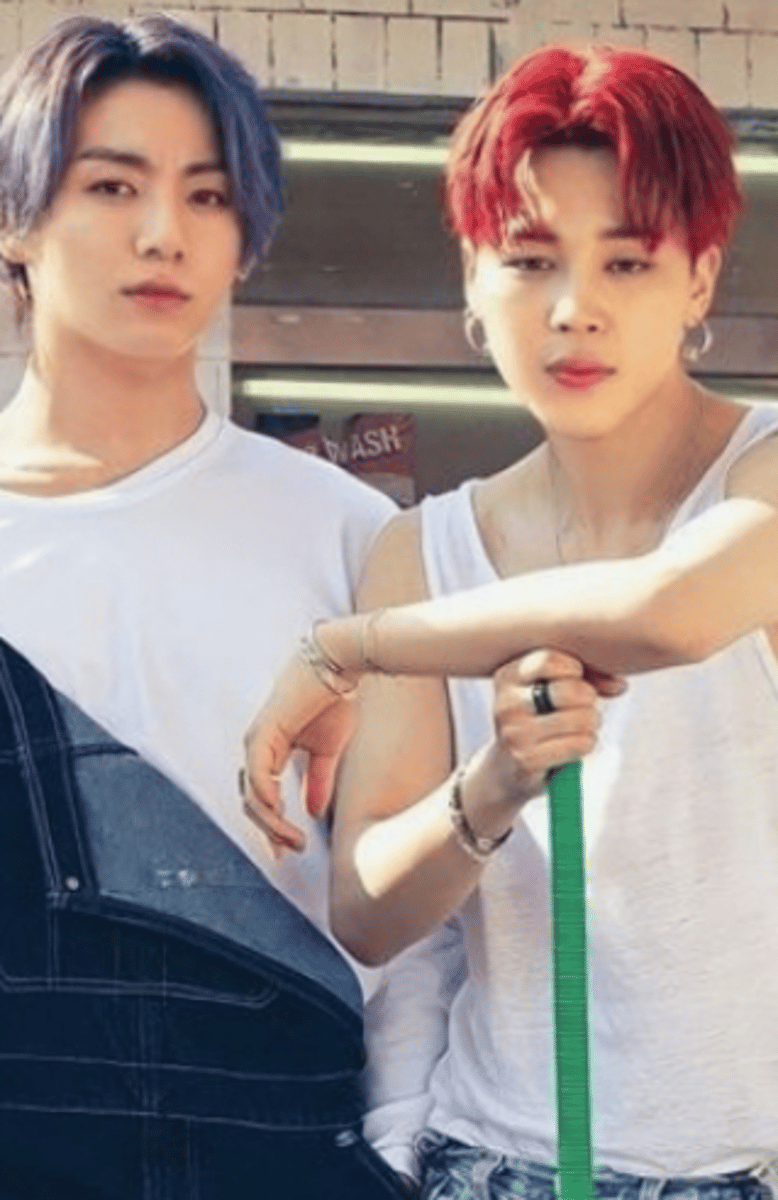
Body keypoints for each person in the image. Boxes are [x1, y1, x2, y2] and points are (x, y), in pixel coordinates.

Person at [242, 43, 778, 1200]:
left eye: (628, 262)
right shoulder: (424, 550)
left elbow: (666, 611)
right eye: (530, 260)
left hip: (766, 1173)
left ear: (699, 280)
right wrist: (493, 783)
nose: (574, 308)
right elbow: (367, 912)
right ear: (473, 280)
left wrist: (346, 647)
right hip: (492, 1166)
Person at [0, 15, 412, 1198]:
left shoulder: (348, 534)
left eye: (208, 195)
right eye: (111, 185)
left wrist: (395, 1150)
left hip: (285, 1144)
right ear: (16, 220)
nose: (162, 233)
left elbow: (416, 920)